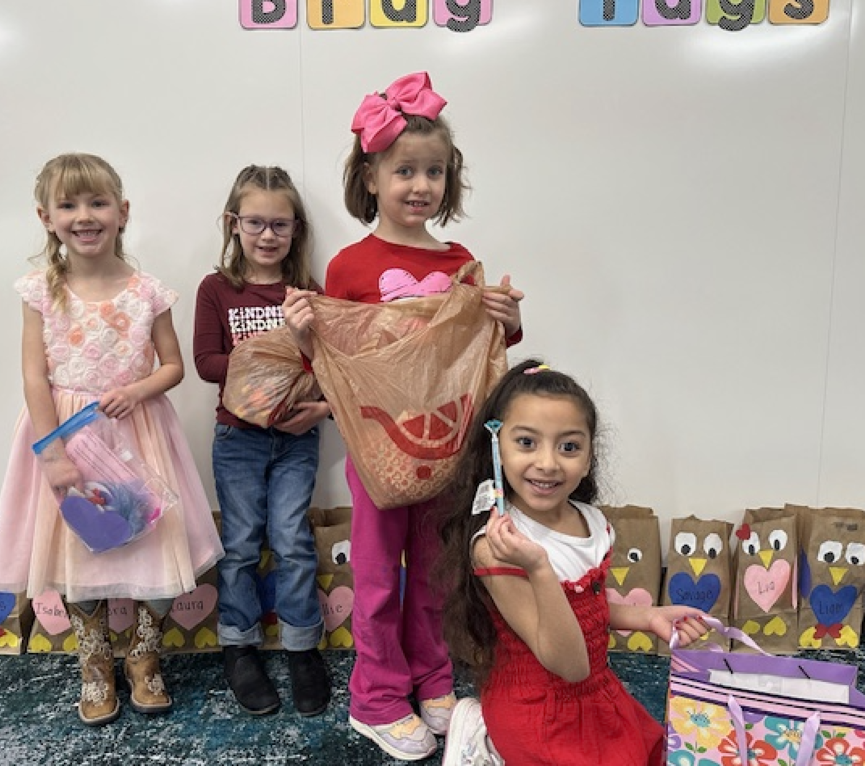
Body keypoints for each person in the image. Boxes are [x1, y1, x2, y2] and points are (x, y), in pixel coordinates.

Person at [283, 72, 525, 761]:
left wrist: (507, 320)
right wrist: (305, 335)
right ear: (371, 176)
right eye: (404, 171)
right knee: (377, 574)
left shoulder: (461, 263)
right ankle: (377, 697)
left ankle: (433, 677)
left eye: (434, 172)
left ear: (451, 179)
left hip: (447, 447)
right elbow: (335, 362)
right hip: (378, 451)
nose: (420, 185)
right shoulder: (349, 268)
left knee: (439, 571)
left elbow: (477, 357)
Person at [0, 152, 224, 726]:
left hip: (137, 432)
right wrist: (52, 454)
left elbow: (173, 366)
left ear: (123, 211)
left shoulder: (147, 292)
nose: (84, 216)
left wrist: (138, 390)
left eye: (97, 202)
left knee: (157, 544)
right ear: (46, 217)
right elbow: (34, 376)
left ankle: (143, 655)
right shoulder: (41, 292)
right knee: (77, 548)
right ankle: (93, 663)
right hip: (65, 435)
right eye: (68, 205)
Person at [433, 360, 709, 766]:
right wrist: (538, 568)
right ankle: (482, 738)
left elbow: (586, 612)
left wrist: (648, 616)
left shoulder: (590, 521)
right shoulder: (497, 547)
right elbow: (569, 665)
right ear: (496, 448)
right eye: (526, 442)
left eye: (569, 447)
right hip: (537, 706)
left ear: (589, 456)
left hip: (593, 691)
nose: (548, 463)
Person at [193, 165, 331, 717]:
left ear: (296, 229)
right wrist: (279, 353)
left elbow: (331, 365)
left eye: (280, 224)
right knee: (242, 543)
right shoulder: (217, 289)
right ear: (233, 223)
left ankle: (302, 646)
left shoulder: (308, 294)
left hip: (297, 436)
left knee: (293, 539)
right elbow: (207, 363)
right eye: (255, 223)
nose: (267, 235)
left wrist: (319, 402)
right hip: (239, 438)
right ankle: (239, 644)